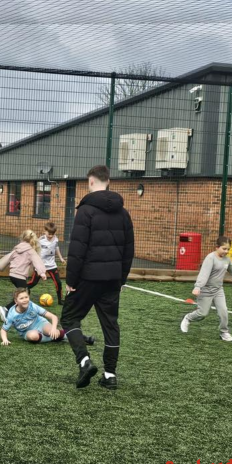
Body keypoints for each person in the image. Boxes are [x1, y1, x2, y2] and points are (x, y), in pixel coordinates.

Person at [60, 165, 134, 390]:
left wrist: (71, 280)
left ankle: (84, 361)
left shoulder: (85, 210)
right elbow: (129, 249)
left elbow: (77, 249)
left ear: (91, 182)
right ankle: (110, 375)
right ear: (108, 181)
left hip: (88, 278)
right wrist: (121, 278)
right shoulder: (123, 212)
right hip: (112, 279)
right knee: (111, 325)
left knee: (70, 317)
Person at [180, 235, 232, 341]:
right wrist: (198, 287)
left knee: (223, 311)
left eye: (228, 249)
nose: (226, 251)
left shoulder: (227, 260)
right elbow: (204, 274)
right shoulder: (210, 258)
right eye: (224, 248)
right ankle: (188, 318)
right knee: (202, 314)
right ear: (217, 247)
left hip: (218, 290)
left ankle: (224, 333)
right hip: (205, 290)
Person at [1, 288, 96, 346]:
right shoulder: (12, 314)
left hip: (40, 324)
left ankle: (82, 338)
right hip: (27, 332)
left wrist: (54, 328)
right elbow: (3, 330)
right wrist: (5, 339)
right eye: (21, 298)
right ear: (16, 301)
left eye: (26, 297)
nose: (25, 300)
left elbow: (53, 317)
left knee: (52, 331)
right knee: (33, 336)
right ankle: (60, 336)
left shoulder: (32, 305)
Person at [0, 230, 47, 322]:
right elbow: (37, 262)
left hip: (12, 276)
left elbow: (7, 258)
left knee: (26, 292)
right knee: (24, 295)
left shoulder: (16, 249)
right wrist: (42, 273)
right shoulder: (31, 251)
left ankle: (15, 311)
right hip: (20, 276)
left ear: (22, 238)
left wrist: (0, 267)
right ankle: (6, 309)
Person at [39, 221, 66, 305]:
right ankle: (25, 295)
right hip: (40, 265)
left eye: (52, 234)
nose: (50, 235)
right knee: (32, 283)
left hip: (51, 265)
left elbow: (56, 248)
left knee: (58, 282)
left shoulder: (55, 239)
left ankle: (60, 300)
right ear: (45, 231)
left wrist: (61, 258)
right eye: (49, 233)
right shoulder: (40, 240)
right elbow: (34, 249)